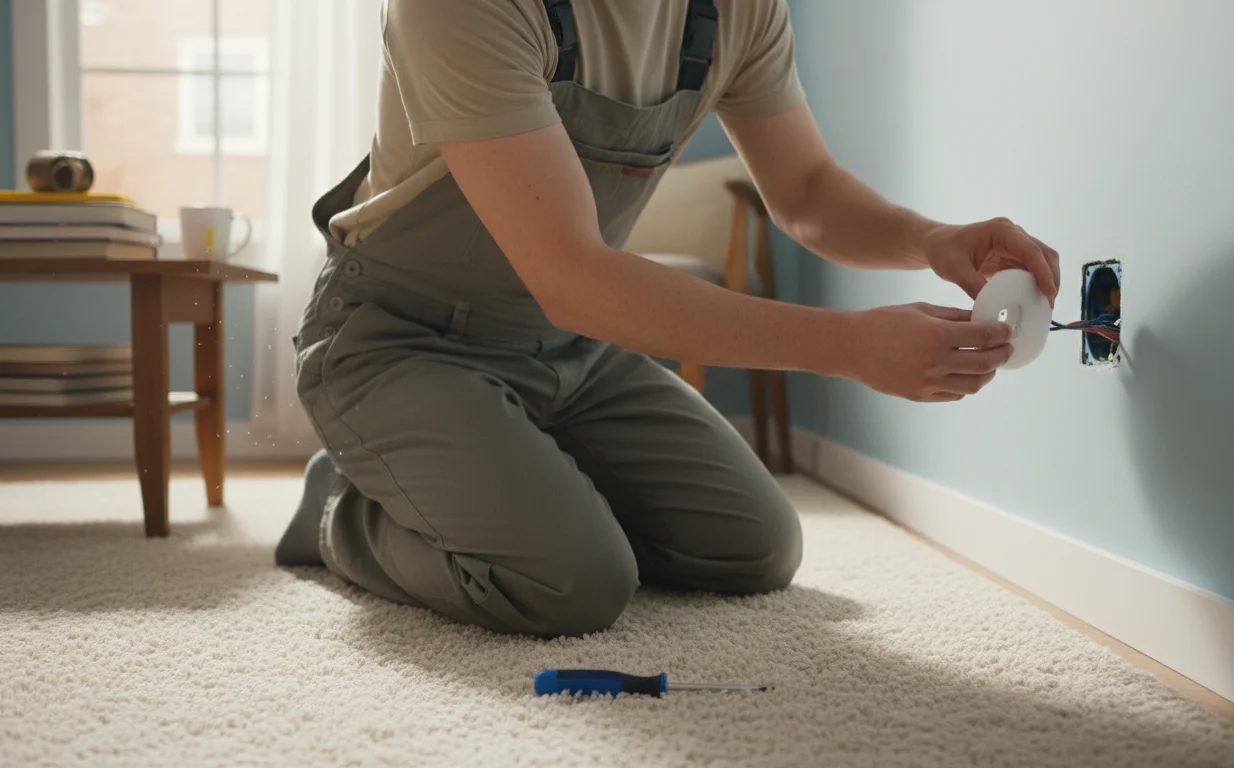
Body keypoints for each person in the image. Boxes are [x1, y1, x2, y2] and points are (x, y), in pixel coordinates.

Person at [275, 0, 1061, 639]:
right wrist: (850, 345)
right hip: (405, 340)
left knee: (755, 547)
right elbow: (573, 276)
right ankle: (340, 512)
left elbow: (809, 190)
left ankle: (499, 486)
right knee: (573, 582)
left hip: (569, 347)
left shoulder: (737, 11)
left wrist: (933, 240)